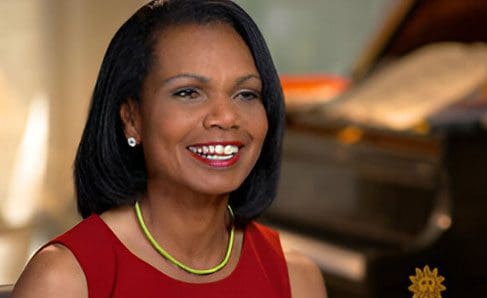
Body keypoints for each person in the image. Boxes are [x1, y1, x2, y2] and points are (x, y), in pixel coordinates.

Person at [12, 0, 326, 297]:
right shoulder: (64, 279)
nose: (226, 117)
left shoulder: (296, 279)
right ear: (132, 118)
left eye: (245, 94)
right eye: (189, 92)